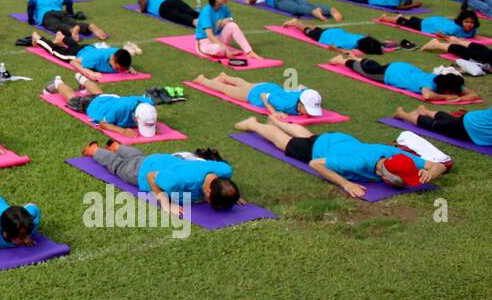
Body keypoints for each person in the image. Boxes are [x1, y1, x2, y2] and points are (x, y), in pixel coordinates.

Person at [234, 117, 448, 198]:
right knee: (283, 143)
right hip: (319, 149)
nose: (407, 184)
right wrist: (345, 183)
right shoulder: (356, 163)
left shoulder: (398, 156)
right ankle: (254, 123)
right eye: (403, 181)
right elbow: (315, 164)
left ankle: (276, 119)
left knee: (308, 135)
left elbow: (438, 166)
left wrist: (430, 172)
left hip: (342, 141)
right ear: (387, 176)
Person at [79, 139, 241, 214]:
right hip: (143, 172)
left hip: (164, 160)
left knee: (138, 156)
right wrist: (165, 203)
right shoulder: (178, 182)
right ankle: (94, 150)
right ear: (208, 192)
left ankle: (116, 146)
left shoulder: (224, 171)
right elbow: (151, 176)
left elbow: (225, 184)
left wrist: (230, 195)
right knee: (119, 166)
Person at [45, 74, 163, 139]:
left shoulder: (148, 105)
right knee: (73, 100)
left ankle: (82, 79)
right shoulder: (118, 110)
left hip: (111, 98)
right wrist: (122, 131)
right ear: (135, 118)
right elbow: (103, 124)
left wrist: (152, 125)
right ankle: (57, 82)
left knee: (99, 94)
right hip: (95, 105)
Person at [325, 54, 478, 102]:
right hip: (392, 73)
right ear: (445, 89)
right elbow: (427, 95)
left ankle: (360, 58)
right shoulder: (430, 82)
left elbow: (473, 94)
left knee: (374, 67)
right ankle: (343, 60)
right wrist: (449, 99)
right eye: (451, 92)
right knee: (367, 72)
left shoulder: (452, 82)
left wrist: (459, 98)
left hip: (405, 68)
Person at [192, 72, 323, 120]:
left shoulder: (304, 94)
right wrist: (273, 113)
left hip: (270, 86)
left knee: (244, 83)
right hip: (256, 94)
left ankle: (224, 76)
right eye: (309, 109)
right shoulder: (286, 104)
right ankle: (202, 80)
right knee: (226, 89)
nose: (311, 114)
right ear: (300, 105)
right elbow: (264, 96)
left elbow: (301, 86)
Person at [31, 33, 139, 82]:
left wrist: (129, 68)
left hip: (88, 48)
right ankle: (38, 38)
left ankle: (62, 37)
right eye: (118, 68)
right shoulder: (95, 59)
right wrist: (88, 72)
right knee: (55, 51)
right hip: (77, 54)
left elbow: (125, 58)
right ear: (113, 59)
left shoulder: (119, 53)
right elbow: (74, 62)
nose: (120, 71)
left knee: (77, 45)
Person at [196, 0, 264, 62]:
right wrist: (226, 49)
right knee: (219, 50)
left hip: (218, 37)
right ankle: (225, 50)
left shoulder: (223, 7)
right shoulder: (207, 11)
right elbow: (210, 36)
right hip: (206, 42)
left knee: (232, 25)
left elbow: (232, 21)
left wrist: (229, 19)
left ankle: (249, 52)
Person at [394, 103, 492, 148]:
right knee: (435, 125)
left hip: (473, 119)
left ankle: (425, 111)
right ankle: (402, 114)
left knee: (450, 121)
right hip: (470, 127)